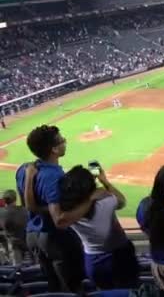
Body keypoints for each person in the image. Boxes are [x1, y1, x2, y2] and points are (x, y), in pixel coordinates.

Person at [17, 125, 99, 292]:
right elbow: (60, 219)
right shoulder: (55, 177)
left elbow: (26, 205)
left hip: (32, 235)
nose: (65, 142)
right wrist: (90, 199)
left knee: (53, 285)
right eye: (62, 141)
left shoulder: (24, 169)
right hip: (55, 238)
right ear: (54, 149)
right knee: (72, 285)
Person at [0, 190, 28, 265]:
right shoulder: (24, 210)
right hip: (26, 242)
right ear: (15, 199)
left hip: (13, 245)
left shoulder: (2, 212)